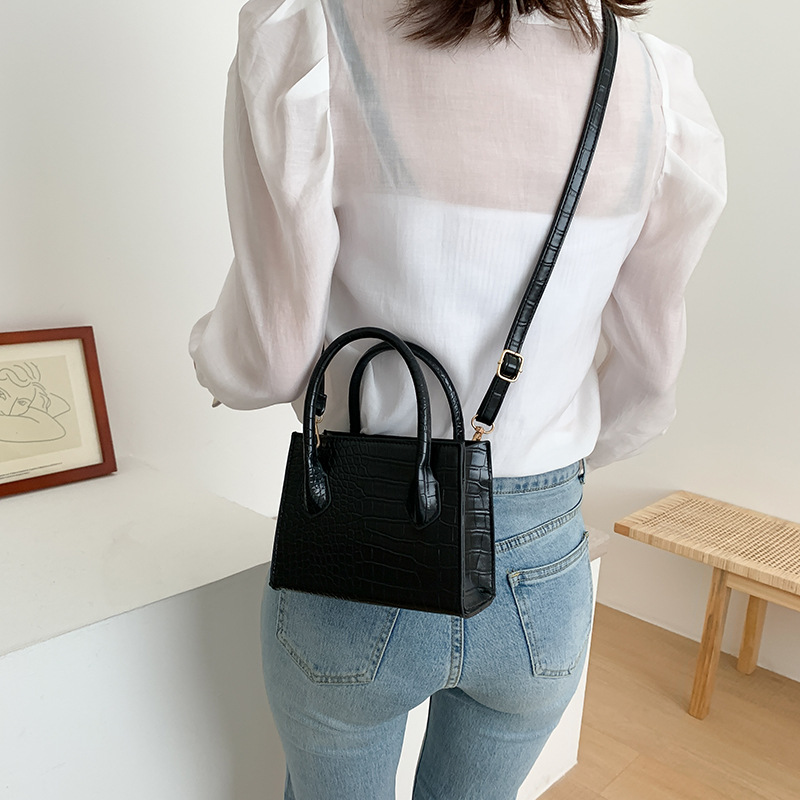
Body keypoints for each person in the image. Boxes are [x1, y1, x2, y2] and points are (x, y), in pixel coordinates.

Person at [189, 0, 726, 796]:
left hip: (360, 543)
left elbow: (269, 360)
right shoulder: (655, 85)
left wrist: (207, 356)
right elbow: (648, 379)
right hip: (542, 562)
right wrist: (540, 468)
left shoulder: (314, 35)